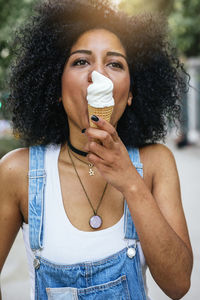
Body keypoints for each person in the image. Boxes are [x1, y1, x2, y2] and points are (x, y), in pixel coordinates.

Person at [0, 0, 193, 299]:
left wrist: (131, 181)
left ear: (129, 94)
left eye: (114, 63)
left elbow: (179, 285)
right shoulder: (17, 172)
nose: (98, 75)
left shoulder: (156, 163)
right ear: (57, 86)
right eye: (81, 61)